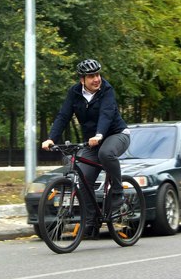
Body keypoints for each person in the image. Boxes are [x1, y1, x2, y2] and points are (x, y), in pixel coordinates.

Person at [42, 59, 130, 239]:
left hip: (116, 134)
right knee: (82, 180)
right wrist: (51, 138)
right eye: (91, 76)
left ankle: (118, 192)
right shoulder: (74, 93)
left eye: (98, 74)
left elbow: (106, 114)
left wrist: (99, 135)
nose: (96, 79)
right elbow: (63, 115)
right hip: (92, 141)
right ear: (82, 79)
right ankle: (90, 221)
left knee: (106, 153)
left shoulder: (107, 90)